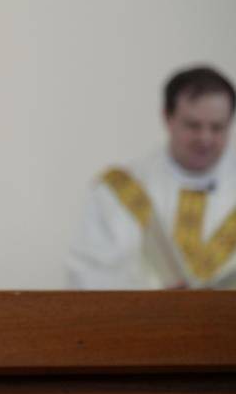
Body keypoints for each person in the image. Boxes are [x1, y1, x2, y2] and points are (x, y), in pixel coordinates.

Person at [67, 64, 235, 289]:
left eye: (217, 127)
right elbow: (88, 274)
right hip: (143, 322)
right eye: (193, 125)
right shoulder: (118, 190)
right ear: (167, 117)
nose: (205, 138)